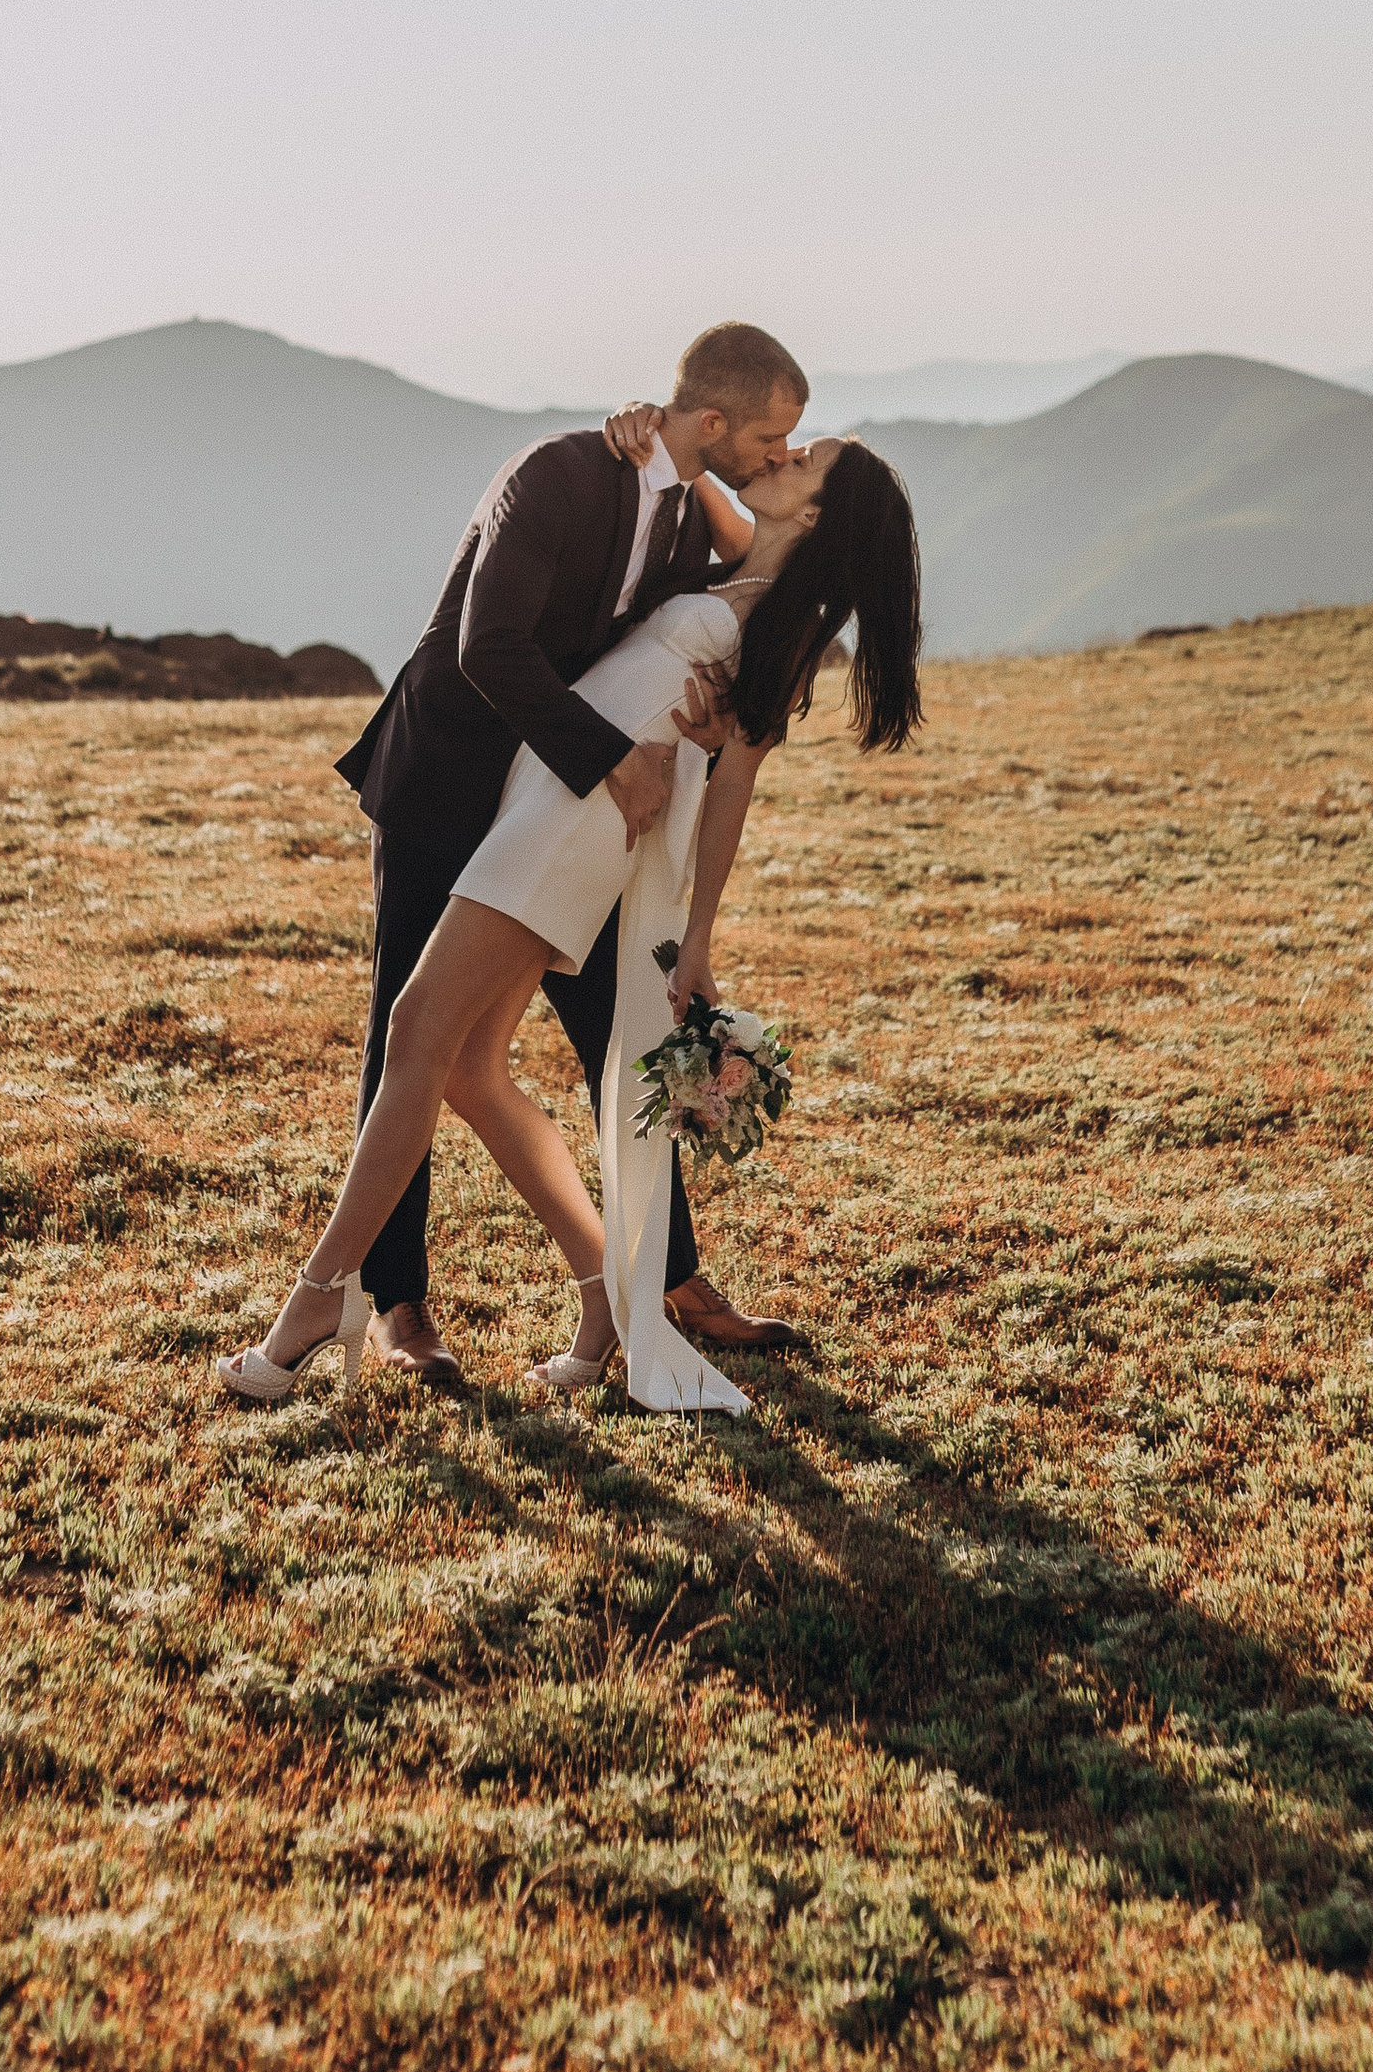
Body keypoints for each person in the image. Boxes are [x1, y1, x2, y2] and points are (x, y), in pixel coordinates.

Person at [217, 426, 923, 1409]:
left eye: (807, 459)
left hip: (581, 823)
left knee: (420, 1030)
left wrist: (700, 937)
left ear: (816, 516)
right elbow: (689, 472)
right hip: (549, 796)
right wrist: (648, 428)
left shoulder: (778, 629)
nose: (787, 450)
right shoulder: (737, 570)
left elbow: (733, 787)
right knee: (466, 1066)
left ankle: (316, 1302)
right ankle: (604, 1294)